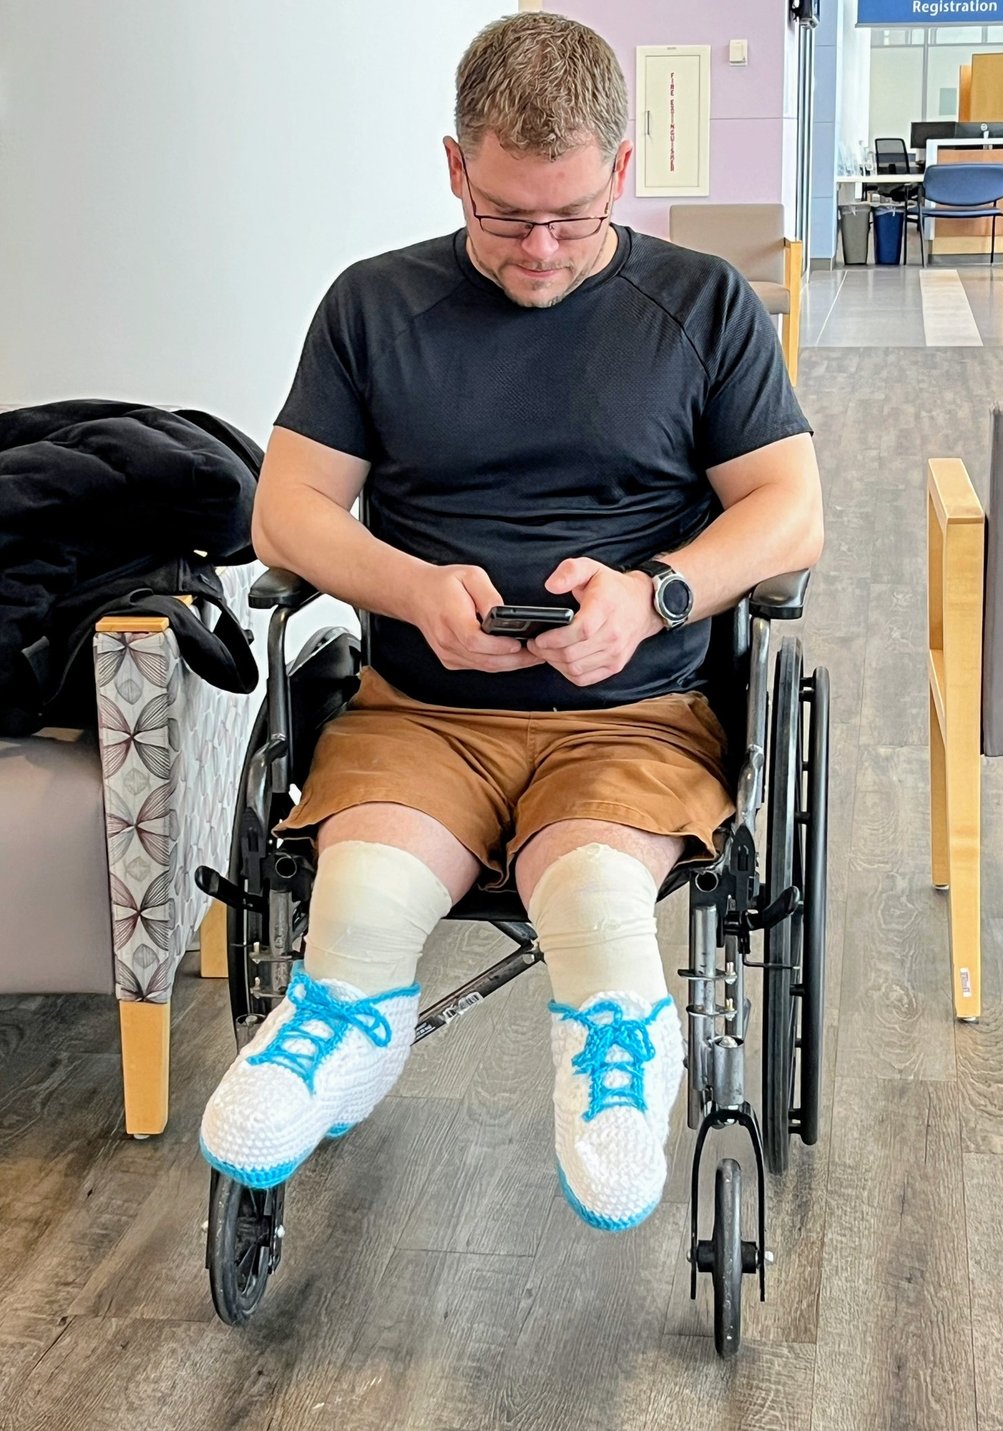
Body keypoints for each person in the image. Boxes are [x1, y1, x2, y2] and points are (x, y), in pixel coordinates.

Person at [200, 12, 823, 1231]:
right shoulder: (373, 306)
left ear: (622, 174)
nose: (539, 249)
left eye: (574, 217)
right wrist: (407, 588)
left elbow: (790, 512)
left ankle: (620, 1058)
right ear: (453, 169)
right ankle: (343, 1028)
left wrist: (658, 596)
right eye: (504, 217)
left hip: (633, 716)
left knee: (593, 899)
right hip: (422, 708)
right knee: (365, 903)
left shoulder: (698, 304)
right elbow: (287, 513)